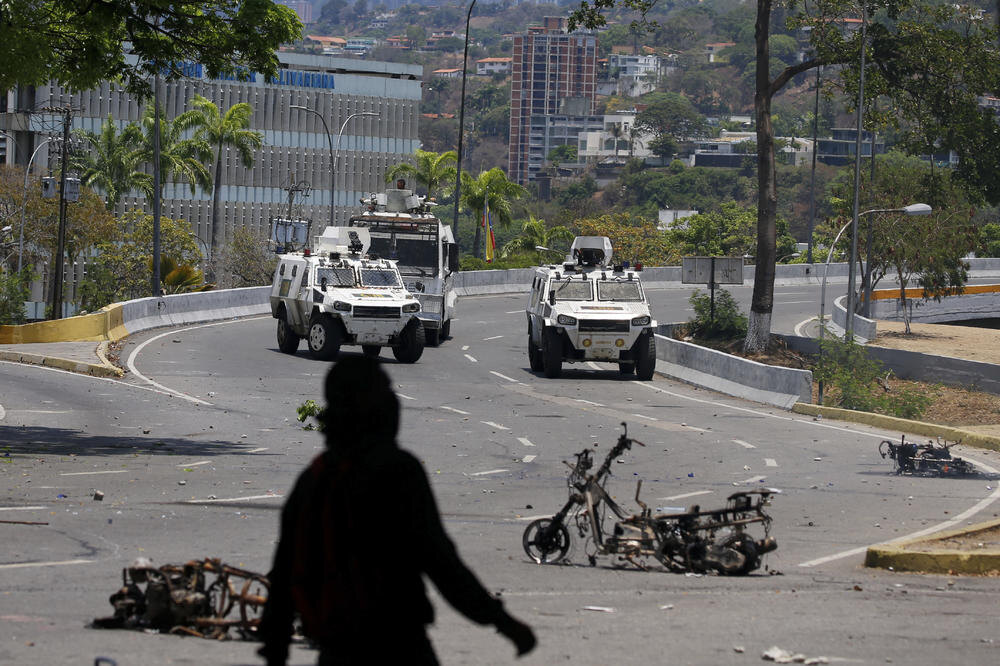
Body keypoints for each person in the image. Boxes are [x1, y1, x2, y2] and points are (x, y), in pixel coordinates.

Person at [258, 356, 536, 665]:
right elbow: (440, 560)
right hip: (399, 644)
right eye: (384, 392)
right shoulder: (398, 472)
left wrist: (275, 648)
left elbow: (285, 577)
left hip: (336, 650)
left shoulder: (314, 479)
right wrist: (501, 621)